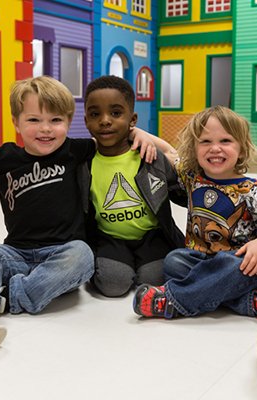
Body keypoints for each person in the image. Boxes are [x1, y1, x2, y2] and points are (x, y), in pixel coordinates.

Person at [0, 75, 103, 359]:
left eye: (56, 120)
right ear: (16, 122)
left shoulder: (75, 150)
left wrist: (147, 139)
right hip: (16, 253)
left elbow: (116, 141)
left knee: (83, 255)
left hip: (62, 252)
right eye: (34, 120)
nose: (46, 129)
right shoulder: (6, 158)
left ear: (68, 121)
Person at [133, 106, 257, 324]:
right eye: (205, 142)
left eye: (225, 141)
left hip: (239, 264)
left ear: (241, 149)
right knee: (174, 261)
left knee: (229, 264)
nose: (215, 148)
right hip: (199, 260)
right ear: (194, 149)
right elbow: (168, 151)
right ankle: (251, 301)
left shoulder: (253, 191)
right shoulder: (192, 178)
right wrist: (138, 133)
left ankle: (173, 300)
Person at [83, 75, 186, 297]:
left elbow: (182, 191)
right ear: (85, 121)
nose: (105, 121)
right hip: (109, 238)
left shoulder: (149, 156)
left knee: (154, 279)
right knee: (113, 285)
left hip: (152, 236)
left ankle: (142, 265)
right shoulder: (83, 161)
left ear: (132, 119)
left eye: (116, 113)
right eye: (95, 114)